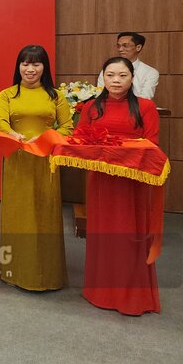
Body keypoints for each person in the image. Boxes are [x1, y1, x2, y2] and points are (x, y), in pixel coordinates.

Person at [77, 57, 162, 315]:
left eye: (122, 75)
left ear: (132, 78)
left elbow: (152, 144)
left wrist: (118, 152)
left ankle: (131, 295)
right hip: (101, 179)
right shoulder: (92, 106)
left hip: (132, 181)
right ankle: (99, 291)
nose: (116, 80)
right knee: (102, 232)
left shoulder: (146, 107)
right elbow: (80, 138)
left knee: (130, 233)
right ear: (103, 77)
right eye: (110, 75)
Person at [0, 44, 73, 291]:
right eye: (25, 63)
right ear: (18, 66)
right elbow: (0, 122)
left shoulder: (55, 96)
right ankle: (15, 270)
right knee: (18, 215)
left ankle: (47, 274)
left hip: (46, 161)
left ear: (44, 67)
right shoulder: (7, 94)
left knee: (45, 215)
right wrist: (15, 135)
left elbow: (67, 127)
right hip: (17, 160)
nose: (30, 69)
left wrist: (44, 140)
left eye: (36, 63)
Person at [96, 32, 159, 99]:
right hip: (109, 107)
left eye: (125, 46)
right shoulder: (108, 70)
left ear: (138, 47)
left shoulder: (150, 72)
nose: (120, 49)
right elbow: (99, 95)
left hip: (136, 108)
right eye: (118, 46)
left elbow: (146, 97)